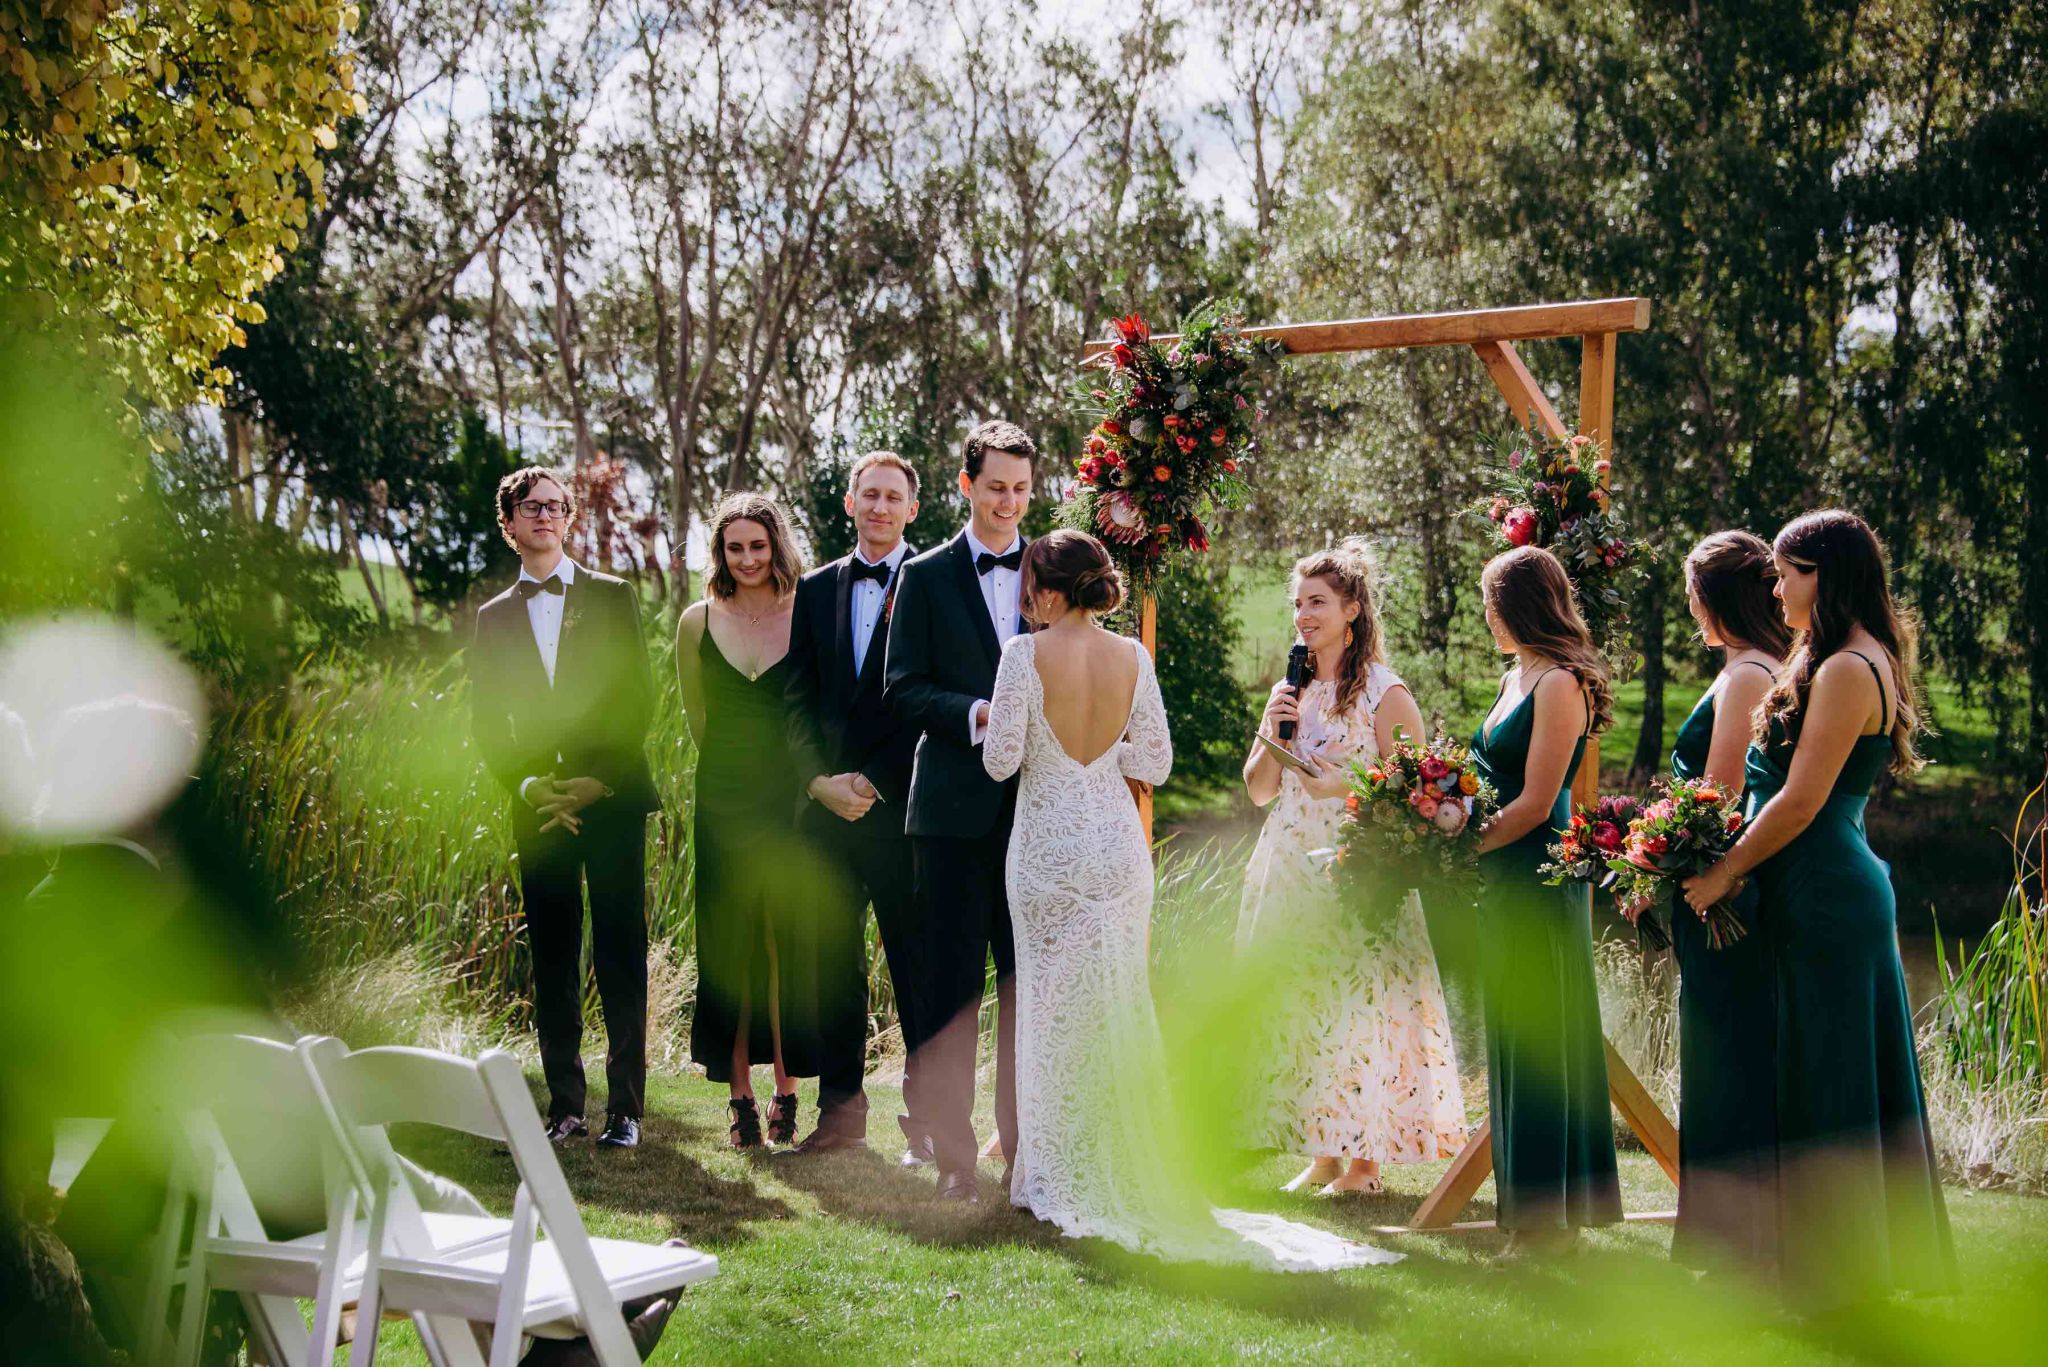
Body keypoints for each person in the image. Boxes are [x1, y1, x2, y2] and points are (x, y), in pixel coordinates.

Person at [983, 529, 1399, 1270]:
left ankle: (1051, 1172)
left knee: (1046, 1008)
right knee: (1119, 1007)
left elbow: (1000, 761)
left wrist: (1014, 727)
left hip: (1047, 848)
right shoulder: (1132, 657)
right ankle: (1123, 1159)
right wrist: (1102, 755)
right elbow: (1156, 760)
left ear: (1045, 588)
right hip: (1116, 849)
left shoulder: (1022, 655)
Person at [1683, 509, 1955, 1308]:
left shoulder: (1847, 669)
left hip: (1826, 886)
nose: (1774, 589)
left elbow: (1801, 800)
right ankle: (1810, 1265)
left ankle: (1840, 1276)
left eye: (1786, 574)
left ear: (1823, 575)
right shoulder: (1830, 654)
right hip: (1808, 882)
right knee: (1810, 1072)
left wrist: (1723, 871)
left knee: (1834, 1079)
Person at [1236, 541, 1465, 1197]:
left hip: (1359, 864)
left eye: (1317, 602)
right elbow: (1258, 790)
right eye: (1298, 603)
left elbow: (1419, 788)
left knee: (1362, 1006)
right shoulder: (1290, 691)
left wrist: (1341, 784)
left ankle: (1367, 1165)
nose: (1303, 615)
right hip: (1289, 864)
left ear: (1352, 610)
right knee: (1308, 1003)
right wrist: (1275, 731)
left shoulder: (1386, 693)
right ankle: (1324, 1155)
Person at [469, 467, 657, 1150]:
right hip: (539, 807)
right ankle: (566, 1108)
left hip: (611, 797)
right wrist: (529, 786)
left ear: (569, 517)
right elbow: (486, 718)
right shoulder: (493, 618)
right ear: (509, 523)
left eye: (554, 505)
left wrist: (597, 781)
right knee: (552, 953)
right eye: (530, 506)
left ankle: (626, 1110)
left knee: (619, 951)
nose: (544, 515)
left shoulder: (611, 596)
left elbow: (639, 696)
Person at [882, 419, 1035, 1202]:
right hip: (946, 817)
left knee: (1026, 991)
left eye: (1021, 489)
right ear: (967, 485)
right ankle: (954, 1162)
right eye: (996, 487)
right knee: (950, 994)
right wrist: (978, 715)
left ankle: (1024, 1154)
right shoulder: (926, 575)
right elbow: (902, 686)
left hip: (1035, 814)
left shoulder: (1050, 569)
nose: (1008, 502)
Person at [1469, 546, 1622, 1257]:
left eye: (1490, 603)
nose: (1486, 617)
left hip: (1536, 875)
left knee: (1541, 1040)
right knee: (1511, 1035)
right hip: (1500, 876)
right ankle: (1529, 1213)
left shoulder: (1560, 684)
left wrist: (1458, 850)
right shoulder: (1515, 675)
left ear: (1518, 605)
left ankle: (1546, 1223)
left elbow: (1535, 803)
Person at [780, 451, 924, 1157]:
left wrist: (874, 780)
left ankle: (929, 1124)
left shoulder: (934, 581)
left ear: (912, 509)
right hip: (827, 816)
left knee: (916, 969)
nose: (880, 507)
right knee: (831, 966)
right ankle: (840, 1116)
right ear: (849, 502)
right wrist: (817, 781)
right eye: (869, 494)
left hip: (903, 815)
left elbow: (931, 699)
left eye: (893, 497)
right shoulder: (814, 588)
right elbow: (796, 698)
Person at [1666, 531, 1789, 1271]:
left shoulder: (1747, 674)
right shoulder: (1765, 665)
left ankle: (1730, 1242)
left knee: (1720, 1063)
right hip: (1730, 889)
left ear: (1715, 599)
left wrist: (1655, 862)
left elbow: (1715, 800)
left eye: (1693, 595)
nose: (1690, 609)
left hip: (1721, 896)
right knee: (1733, 1058)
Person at [677, 493, 806, 1148]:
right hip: (724, 800)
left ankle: (788, 1090)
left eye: (758, 545)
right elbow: (697, 719)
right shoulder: (696, 622)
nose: (748, 558)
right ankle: (740, 1098)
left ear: (776, 545)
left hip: (791, 800)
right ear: (720, 553)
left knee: (786, 941)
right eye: (735, 548)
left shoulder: (806, 610)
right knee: (729, 946)